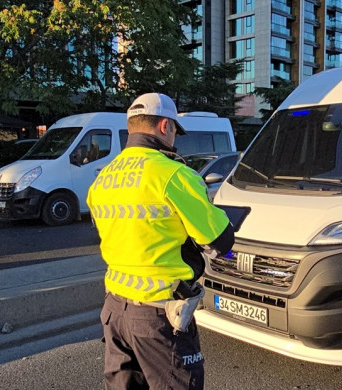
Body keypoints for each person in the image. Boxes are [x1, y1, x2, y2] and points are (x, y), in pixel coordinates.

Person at [87, 92, 235, 390]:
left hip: (115, 311)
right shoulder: (174, 174)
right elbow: (220, 241)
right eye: (175, 133)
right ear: (166, 127)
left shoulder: (103, 177)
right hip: (158, 315)